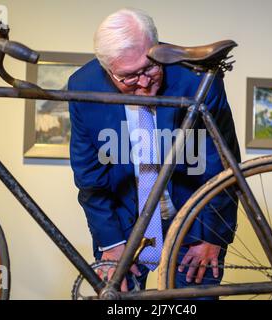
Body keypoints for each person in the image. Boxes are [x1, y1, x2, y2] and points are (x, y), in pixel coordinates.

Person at [68, 8, 241, 295]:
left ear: (157, 47)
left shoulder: (194, 78)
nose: (145, 83)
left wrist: (212, 236)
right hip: (123, 224)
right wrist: (110, 243)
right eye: (129, 77)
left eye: (150, 67)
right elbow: (89, 176)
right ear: (107, 68)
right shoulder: (83, 87)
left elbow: (221, 164)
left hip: (195, 220)